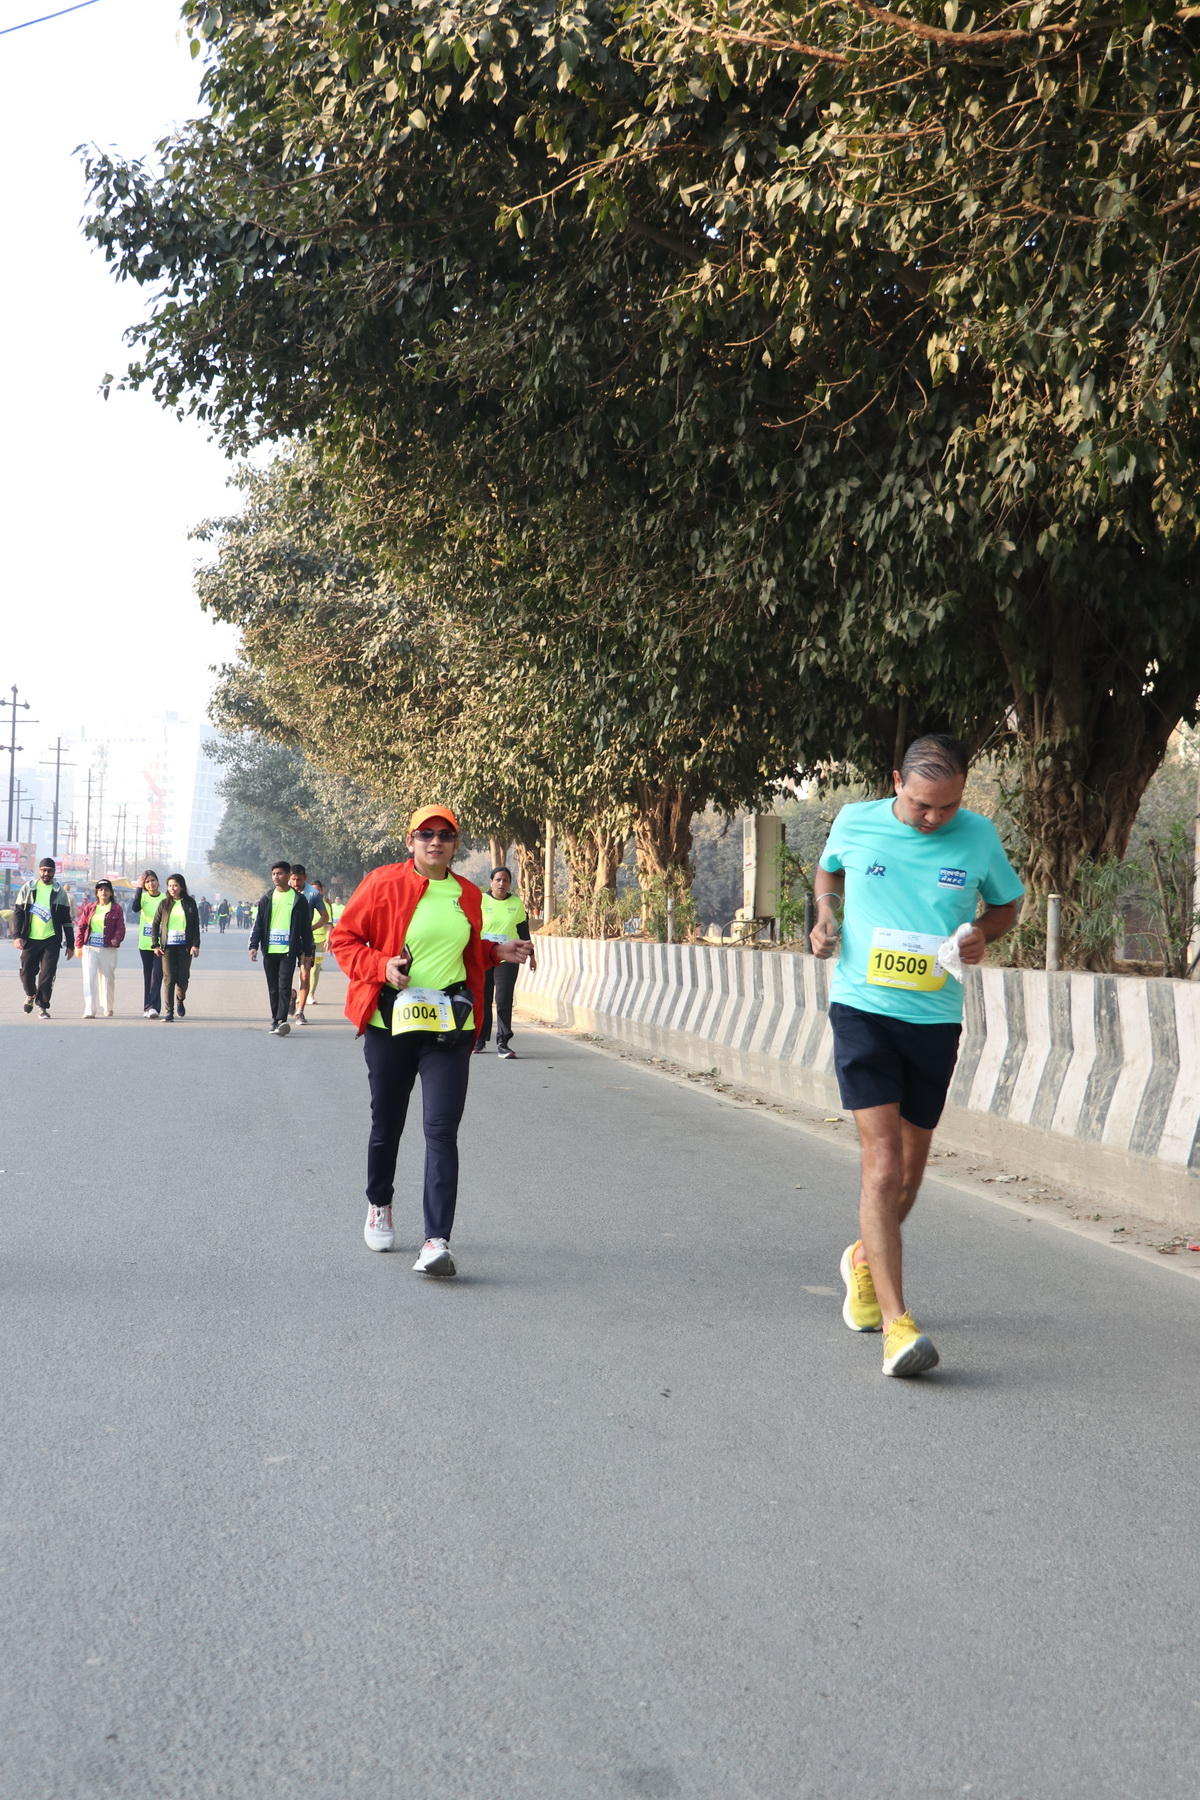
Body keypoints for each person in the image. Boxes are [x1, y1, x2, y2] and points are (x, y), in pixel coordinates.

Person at [812, 734, 1024, 1378]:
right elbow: (829, 870)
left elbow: (1007, 905)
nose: (934, 817)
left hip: (934, 1020)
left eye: (948, 806)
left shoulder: (978, 836)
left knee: (907, 1175)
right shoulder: (856, 820)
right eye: (923, 804)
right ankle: (897, 1327)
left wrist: (981, 933)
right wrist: (825, 914)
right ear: (896, 782)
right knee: (881, 1165)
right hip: (862, 1009)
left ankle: (863, 1260)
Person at [329, 806, 532, 1275]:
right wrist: (381, 966)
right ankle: (379, 1203)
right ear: (410, 841)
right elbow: (343, 940)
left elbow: (465, 949)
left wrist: (496, 951)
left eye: (445, 834)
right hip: (390, 1024)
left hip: (447, 1027)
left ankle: (436, 1241)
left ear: (456, 844)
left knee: (441, 1130)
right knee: (387, 1124)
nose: (435, 841)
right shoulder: (381, 882)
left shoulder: (467, 894)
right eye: (425, 834)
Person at [249, 861, 314, 1035]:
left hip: (288, 951)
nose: (276, 877)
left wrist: (308, 953)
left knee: (284, 986)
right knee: (273, 988)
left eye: (279, 873)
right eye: (273, 874)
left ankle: (281, 1020)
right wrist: (254, 945)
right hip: (270, 950)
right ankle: (274, 1018)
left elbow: (305, 929)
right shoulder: (267, 898)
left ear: (288, 876)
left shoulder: (299, 900)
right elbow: (259, 925)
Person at [477, 866, 535, 1058]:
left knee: (503, 999)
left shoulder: (516, 904)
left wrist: (531, 954)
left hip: (508, 958)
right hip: (484, 956)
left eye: (505, 880)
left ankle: (503, 1042)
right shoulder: (481, 901)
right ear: (491, 882)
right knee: (483, 999)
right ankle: (479, 1040)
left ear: (510, 884)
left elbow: (523, 930)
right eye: (498, 880)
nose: (501, 883)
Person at [11, 857, 75, 1018]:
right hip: (30, 939)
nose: (46, 873)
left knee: (47, 974)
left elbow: (66, 920)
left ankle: (43, 1006)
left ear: (54, 872)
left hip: (51, 939)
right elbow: (18, 913)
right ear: (39, 870)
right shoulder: (28, 888)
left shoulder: (60, 892)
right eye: (43, 870)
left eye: (49, 870)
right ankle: (31, 994)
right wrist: (17, 936)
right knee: (26, 972)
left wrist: (71, 944)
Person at [152, 874, 201, 1021]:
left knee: (182, 979)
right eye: (170, 886)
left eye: (175, 885)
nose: (172, 888)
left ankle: (180, 1000)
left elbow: (195, 925)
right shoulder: (164, 904)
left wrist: (195, 945)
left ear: (182, 887)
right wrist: (155, 944)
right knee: (169, 979)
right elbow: (155, 924)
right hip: (167, 947)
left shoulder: (190, 903)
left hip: (185, 947)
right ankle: (169, 1012)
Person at [75, 878, 127, 1017]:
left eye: (106, 890)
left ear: (111, 893)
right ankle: (89, 1009)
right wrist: (78, 945)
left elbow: (120, 928)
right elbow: (82, 926)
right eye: (101, 889)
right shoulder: (89, 908)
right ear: (97, 893)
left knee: (107, 978)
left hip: (108, 948)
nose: (103, 892)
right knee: (89, 977)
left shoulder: (116, 909)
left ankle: (107, 1006)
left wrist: (117, 939)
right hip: (90, 947)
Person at [287, 864, 328, 1025]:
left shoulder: (313, 894)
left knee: (305, 975)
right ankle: (291, 994)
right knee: (284, 975)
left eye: (299, 879)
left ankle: (300, 1012)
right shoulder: (283, 891)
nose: (296, 883)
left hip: (306, 941)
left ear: (305, 877)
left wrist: (310, 929)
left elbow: (324, 917)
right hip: (287, 941)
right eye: (293, 879)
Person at [129, 870, 164, 1017]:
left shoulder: (165, 898)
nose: (150, 884)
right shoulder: (142, 897)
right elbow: (135, 908)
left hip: (161, 942)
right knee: (148, 974)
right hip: (145, 942)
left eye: (153, 880)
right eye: (147, 882)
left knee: (157, 974)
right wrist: (138, 888)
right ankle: (147, 1008)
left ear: (158, 882)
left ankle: (153, 1007)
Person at [305, 878, 331, 1004]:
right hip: (306, 939)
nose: (315, 892)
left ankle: (311, 994)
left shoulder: (326, 905)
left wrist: (328, 940)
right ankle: (302, 993)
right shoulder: (304, 901)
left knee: (315, 968)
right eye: (312, 890)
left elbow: (328, 925)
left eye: (317, 890)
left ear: (321, 891)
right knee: (304, 968)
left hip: (320, 941)